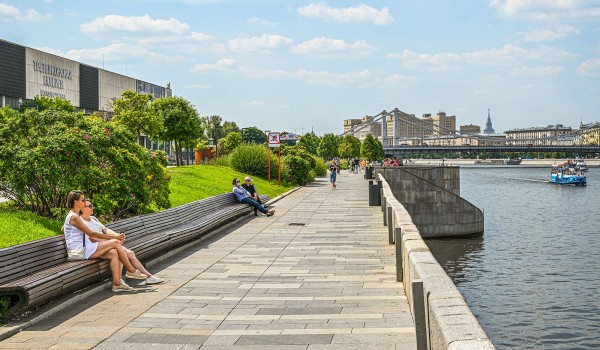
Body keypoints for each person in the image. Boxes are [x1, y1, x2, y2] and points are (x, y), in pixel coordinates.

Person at [63, 190, 147, 292]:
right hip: (79, 249)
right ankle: (131, 270)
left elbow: (66, 228)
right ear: (76, 202)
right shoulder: (74, 216)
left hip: (86, 247)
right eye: (83, 199)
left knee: (113, 253)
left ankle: (117, 283)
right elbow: (91, 234)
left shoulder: (74, 216)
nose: (85, 202)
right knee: (115, 243)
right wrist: (114, 237)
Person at [79, 199, 164, 285]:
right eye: (89, 206)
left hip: (108, 242)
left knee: (130, 253)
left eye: (92, 205)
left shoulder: (93, 219)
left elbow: (105, 229)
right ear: (82, 209)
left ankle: (142, 277)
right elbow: (91, 238)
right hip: (97, 247)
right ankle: (139, 276)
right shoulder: (81, 222)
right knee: (120, 251)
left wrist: (117, 235)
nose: (92, 208)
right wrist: (111, 241)